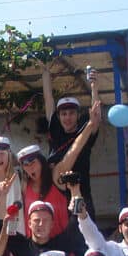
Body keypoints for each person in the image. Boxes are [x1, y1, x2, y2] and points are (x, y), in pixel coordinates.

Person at [41, 62, 103, 213]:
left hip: (82, 195)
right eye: (63, 114)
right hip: (56, 195)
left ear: (77, 114)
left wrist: (94, 87)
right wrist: (45, 71)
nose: (67, 117)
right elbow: (48, 100)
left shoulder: (85, 132)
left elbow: (95, 117)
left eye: (71, 113)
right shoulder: (55, 131)